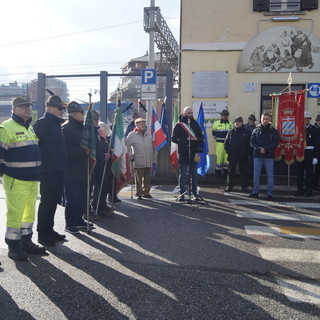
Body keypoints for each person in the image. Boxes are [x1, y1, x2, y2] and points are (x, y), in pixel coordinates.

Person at [0, 96, 46, 261]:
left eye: (28, 106)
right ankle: (13, 246)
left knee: (28, 214)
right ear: (13, 109)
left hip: (32, 179)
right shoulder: (6, 128)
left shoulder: (29, 128)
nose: (27, 109)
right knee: (15, 214)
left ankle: (26, 242)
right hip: (15, 179)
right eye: (22, 106)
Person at [33, 95, 68, 246]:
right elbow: (35, 146)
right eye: (59, 108)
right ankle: (43, 233)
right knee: (47, 201)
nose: (62, 111)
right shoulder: (42, 123)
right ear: (49, 108)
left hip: (58, 169)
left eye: (63, 109)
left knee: (54, 201)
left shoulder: (55, 124)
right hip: (47, 170)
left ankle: (50, 229)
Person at [62, 101, 93, 234]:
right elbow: (66, 151)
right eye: (81, 113)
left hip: (82, 168)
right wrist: (84, 152)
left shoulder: (83, 128)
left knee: (82, 197)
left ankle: (79, 219)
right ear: (73, 114)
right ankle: (70, 223)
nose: (83, 115)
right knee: (72, 198)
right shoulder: (66, 128)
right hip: (71, 170)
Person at [171, 106, 203, 201]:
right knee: (183, 174)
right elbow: (173, 139)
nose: (190, 114)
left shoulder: (195, 124)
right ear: (184, 113)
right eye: (188, 113)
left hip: (194, 152)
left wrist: (196, 139)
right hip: (184, 152)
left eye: (191, 112)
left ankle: (194, 193)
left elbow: (200, 137)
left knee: (194, 174)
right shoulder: (179, 125)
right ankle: (182, 193)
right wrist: (185, 140)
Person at [249, 113, 279, 200]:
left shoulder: (273, 131)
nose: (265, 120)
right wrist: (258, 149)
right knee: (256, 175)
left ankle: (269, 193)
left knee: (270, 175)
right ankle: (255, 192)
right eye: (263, 119)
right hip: (258, 155)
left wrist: (265, 149)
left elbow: (275, 142)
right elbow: (252, 142)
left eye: (266, 119)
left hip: (269, 156)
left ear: (270, 120)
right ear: (261, 119)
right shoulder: (256, 130)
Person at [126, 118, 157, 200]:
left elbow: (154, 148)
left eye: (144, 123)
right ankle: (139, 193)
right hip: (138, 159)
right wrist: (131, 156)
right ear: (137, 124)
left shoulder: (148, 134)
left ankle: (146, 192)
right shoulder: (132, 135)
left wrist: (154, 160)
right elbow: (127, 146)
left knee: (147, 178)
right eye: (141, 123)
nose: (144, 125)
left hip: (148, 159)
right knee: (138, 178)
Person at [91, 120, 115, 218]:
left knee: (105, 187)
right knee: (99, 187)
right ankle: (97, 206)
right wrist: (102, 156)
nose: (107, 131)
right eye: (105, 129)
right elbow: (93, 153)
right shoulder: (97, 140)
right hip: (99, 167)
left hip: (106, 167)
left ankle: (102, 205)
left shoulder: (104, 139)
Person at [295, 111, 320, 197]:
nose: (305, 120)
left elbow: (317, 144)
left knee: (309, 174)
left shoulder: (314, 130)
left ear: (309, 120)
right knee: (299, 173)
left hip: (310, 153)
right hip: (300, 152)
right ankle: (299, 190)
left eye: (307, 119)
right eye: (304, 119)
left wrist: (316, 157)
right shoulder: (298, 129)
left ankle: (308, 191)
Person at [224, 116, 251, 192]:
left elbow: (250, 144)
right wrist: (229, 152)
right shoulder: (230, 132)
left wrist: (247, 153)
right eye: (236, 122)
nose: (237, 123)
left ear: (242, 123)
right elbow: (226, 144)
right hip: (232, 156)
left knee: (244, 172)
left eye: (239, 122)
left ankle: (244, 187)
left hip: (243, 156)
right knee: (231, 172)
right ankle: (229, 186)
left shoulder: (247, 132)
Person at [212, 109, 233, 176]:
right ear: (221, 115)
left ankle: (226, 174)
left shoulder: (231, 124)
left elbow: (232, 134)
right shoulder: (216, 123)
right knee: (219, 159)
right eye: (224, 115)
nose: (225, 116)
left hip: (228, 145)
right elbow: (213, 133)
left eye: (226, 115)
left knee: (227, 159)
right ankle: (218, 173)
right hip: (219, 144)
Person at [314, 114, 320, 190]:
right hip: (316, 152)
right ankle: (315, 185)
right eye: (319, 121)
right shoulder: (314, 128)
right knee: (317, 170)